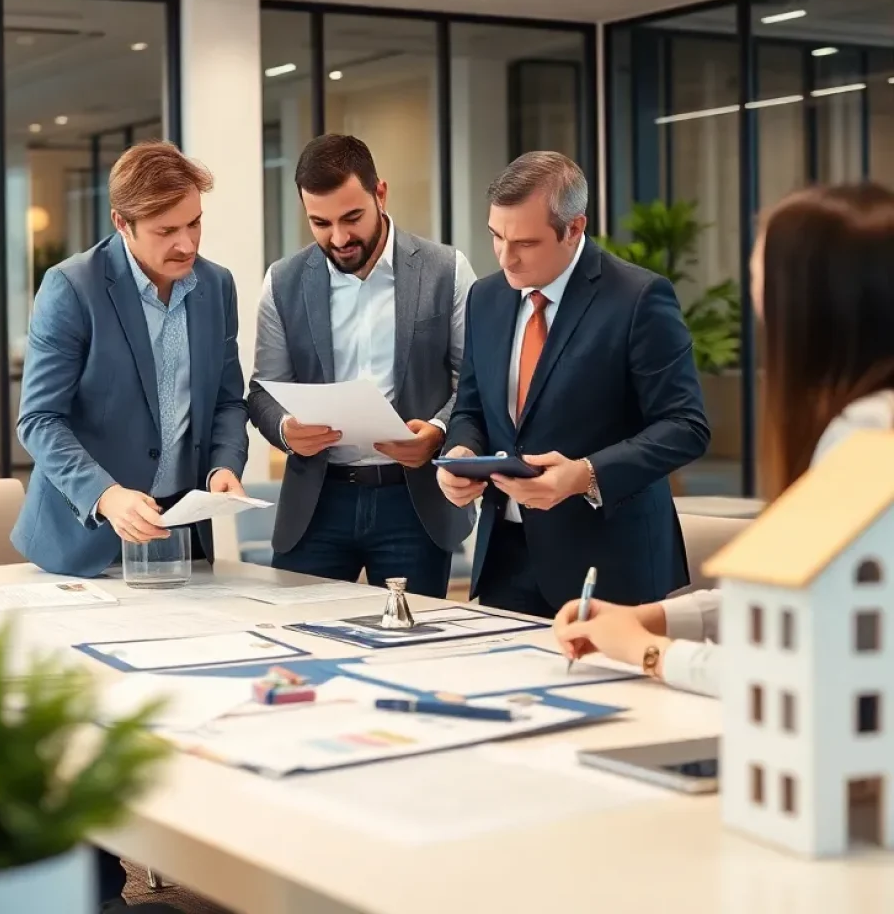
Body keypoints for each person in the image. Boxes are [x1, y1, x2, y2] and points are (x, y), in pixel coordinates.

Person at [11, 141, 249, 905]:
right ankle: (98, 884)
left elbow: (229, 399)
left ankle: (194, 860)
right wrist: (106, 494)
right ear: (122, 223)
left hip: (180, 538)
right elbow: (39, 420)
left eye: (194, 223)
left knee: (181, 705)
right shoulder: (72, 288)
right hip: (85, 543)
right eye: (166, 230)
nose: (186, 243)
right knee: (83, 725)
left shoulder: (216, 286)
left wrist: (225, 464)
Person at [554, 182, 894, 697]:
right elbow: (800, 600)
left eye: (758, 268)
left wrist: (648, 651)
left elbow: (806, 666)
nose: (751, 284)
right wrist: (651, 618)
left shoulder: (866, 440)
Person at [438, 151, 710, 617]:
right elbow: (471, 408)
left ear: (574, 228)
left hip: (610, 563)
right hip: (506, 556)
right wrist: (462, 452)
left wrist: (586, 475)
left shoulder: (638, 298)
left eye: (525, 242)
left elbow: (686, 427)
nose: (506, 257)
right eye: (497, 236)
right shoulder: (486, 296)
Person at [247, 134, 476, 597]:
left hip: (413, 503)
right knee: (298, 631)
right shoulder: (283, 281)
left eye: (352, 217)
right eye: (320, 223)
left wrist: (436, 431)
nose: (339, 238)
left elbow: (474, 383)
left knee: (414, 636)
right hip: (317, 503)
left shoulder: (446, 270)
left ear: (380, 194)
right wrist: (287, 430)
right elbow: (263, 391)